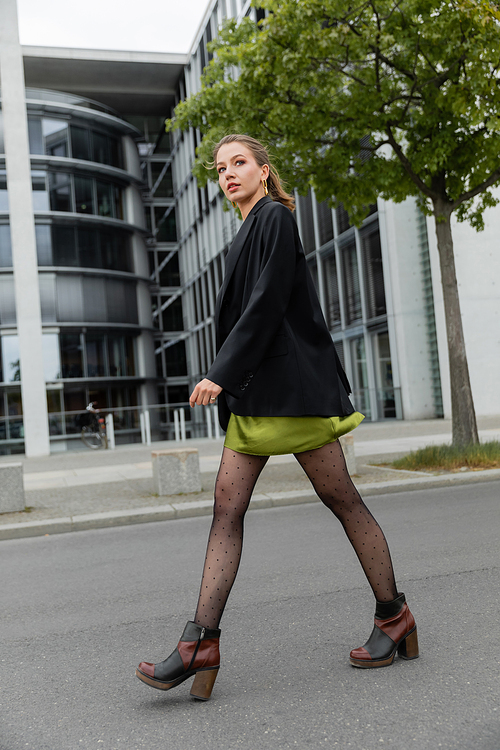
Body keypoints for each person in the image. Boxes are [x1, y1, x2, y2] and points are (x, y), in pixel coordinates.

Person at [136, 134, 419, 701]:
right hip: (260, 396)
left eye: (239, 163)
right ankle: (201, 643)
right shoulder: (248, 227)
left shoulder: (275, 218)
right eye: (221, 168)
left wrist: (221, 370)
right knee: (227, 509)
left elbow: (266, 303)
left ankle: (394, 617)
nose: (229, 174)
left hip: (290, 394)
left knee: (342, 500)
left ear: (264, 172)